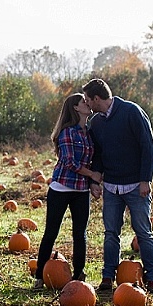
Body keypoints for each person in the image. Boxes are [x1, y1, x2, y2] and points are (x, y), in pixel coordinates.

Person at [82, 78, 153, 293]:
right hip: (111, 186)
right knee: (111, 233)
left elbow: (148, 146)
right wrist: (95, 181)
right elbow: (98, 155)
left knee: (143, 232)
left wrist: (146, 179)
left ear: (96, 98)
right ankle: (108, 276)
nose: (86, 103)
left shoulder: (131, 112)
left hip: (136, 185)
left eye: (88, 99)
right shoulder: (96, 123)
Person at [33, 93, 103, 290]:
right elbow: (70, 162)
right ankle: (39, 276)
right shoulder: (67, 132)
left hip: (81, 189)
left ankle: (79, 274)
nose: (88, 104)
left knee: (80, 234)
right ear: (75, 108)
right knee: (51, 232)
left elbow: (94, 158)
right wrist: (92, 175)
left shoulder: (89, 133)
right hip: (61, 188)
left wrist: (93, 182)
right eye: (84, 102)